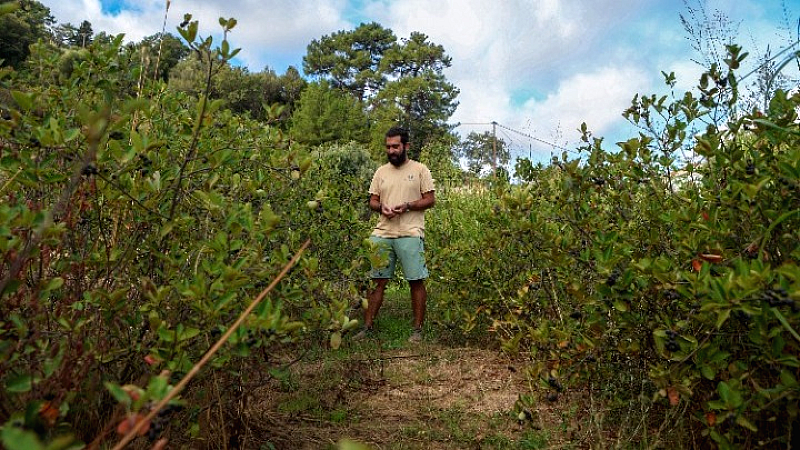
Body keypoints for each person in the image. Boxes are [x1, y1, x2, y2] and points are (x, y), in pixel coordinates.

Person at [353, 126, 436, 343]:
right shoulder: (380, 172)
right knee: (376, 281)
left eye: (396, 146)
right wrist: (382, 208)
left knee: (416, 281)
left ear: (406, 146)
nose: (391, 151)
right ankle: (367, 327)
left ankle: (417, 330)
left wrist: (408, 206)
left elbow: (430, 199)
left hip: (410, 232)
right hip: (382, 232)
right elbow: (372, 201)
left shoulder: (420, 170)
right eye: (388, 147)